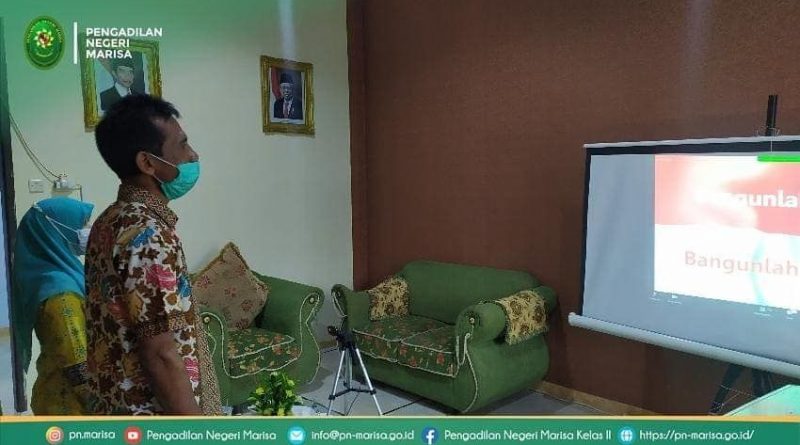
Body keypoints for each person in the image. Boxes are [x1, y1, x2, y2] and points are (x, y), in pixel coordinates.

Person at [85, 94, 221, 415]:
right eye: (182, 144)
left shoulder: (110, 219)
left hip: (114, 406)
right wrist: (195, 433)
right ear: (148, 163)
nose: (193, 154)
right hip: (154, 418)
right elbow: (160, 353)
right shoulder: (147, 234)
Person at [12, 197, 94, 415]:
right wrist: (105, 408)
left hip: (57, 395)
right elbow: (77, 363)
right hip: (70, 407)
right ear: (53, 229)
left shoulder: (58, 274)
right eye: (83, 223)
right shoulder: (61, 292)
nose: (88, 229)